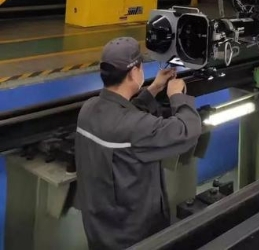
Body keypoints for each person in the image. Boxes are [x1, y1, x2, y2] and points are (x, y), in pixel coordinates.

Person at [75, 37, 201, 250]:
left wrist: (154, 89)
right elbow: (187, 131)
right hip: (136, 238)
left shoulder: (88, 109)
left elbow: (125, 116)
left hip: (101, 231)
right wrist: (176, 96)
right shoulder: (133, 128)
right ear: (134, 73)